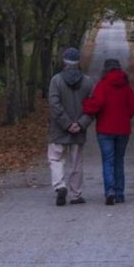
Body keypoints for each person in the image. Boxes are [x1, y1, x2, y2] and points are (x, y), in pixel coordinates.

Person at [82, 58, 134, 205]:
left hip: (105, 129)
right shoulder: (126, 86)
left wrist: (85, 105)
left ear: (105, 69)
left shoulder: (102, 85)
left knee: (108, 161)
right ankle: (120, 193)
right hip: (123, 129)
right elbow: (133, 104)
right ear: (119, 68)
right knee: (119, 161)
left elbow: (97, 104)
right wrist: (126, 117)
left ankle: (110, 191)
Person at [47, 47, 95, 206]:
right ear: (78, 61)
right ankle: (76, 194)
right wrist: (80, 124)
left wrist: (66, 124)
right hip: (78, 131)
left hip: (58, 129)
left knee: (55, 158)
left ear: (64, 61)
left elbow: (54, 104)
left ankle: (60, 186)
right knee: (76, 162)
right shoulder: (88, 82)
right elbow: (92, 107)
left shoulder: (56, 80)